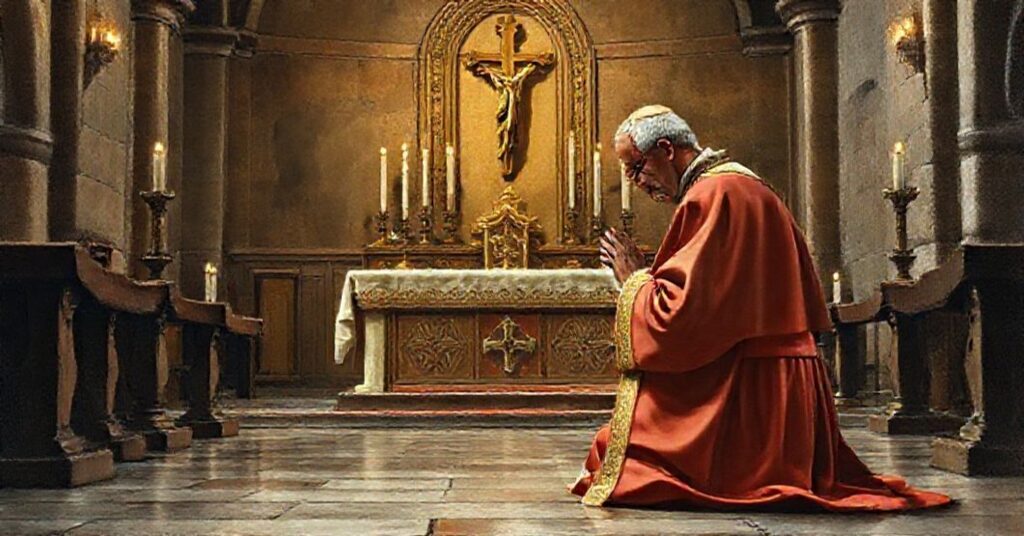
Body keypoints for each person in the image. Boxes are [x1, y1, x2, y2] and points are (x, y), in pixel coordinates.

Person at [571, 105, 951, 512]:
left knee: (622, 460)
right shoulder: (739, 185)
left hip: (749, 395)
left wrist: (633, 279)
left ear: (666, 149)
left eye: (635, 168)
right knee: (615, 451)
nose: (635, 182)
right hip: (775, 384)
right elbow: (713, 308)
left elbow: (680, 317)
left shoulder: (714, 195)